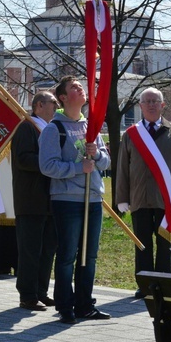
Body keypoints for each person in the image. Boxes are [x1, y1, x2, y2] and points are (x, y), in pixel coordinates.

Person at [39, 76, 111, 324]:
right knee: (68, 254)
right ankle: (65, 304)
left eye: (81, 86)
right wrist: (79, 167)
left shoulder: (91, 125)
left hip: (92, 198)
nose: (81, 89)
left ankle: (85, 303)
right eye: (74, 87)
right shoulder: (54, 129)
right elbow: (47, 166)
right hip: (67, 199)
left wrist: (98, 155)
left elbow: (105, 162)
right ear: (62, 97)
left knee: (89, 255)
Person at [116, 87, 171, 299]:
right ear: (140, 106)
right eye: (147, 101)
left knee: (165, 244)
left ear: (162, 105)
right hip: (139, 198)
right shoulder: (131, 134)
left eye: (155, 101)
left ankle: (165, 284)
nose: (151, 104)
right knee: (142, 244)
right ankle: (146, 285)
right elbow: (122, 168)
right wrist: (121, 198)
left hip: (165, 200)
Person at [11, 91, 58, 311]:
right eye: (53, 103)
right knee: (30, 250)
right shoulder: (27, 127)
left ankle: (41, 291)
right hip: (30, 200)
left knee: (47, 249)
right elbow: (23, 159)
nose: (56, 107)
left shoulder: (50, 128)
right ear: (39, 105)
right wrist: (49, 162)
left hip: (49, 201)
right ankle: (27, 295)